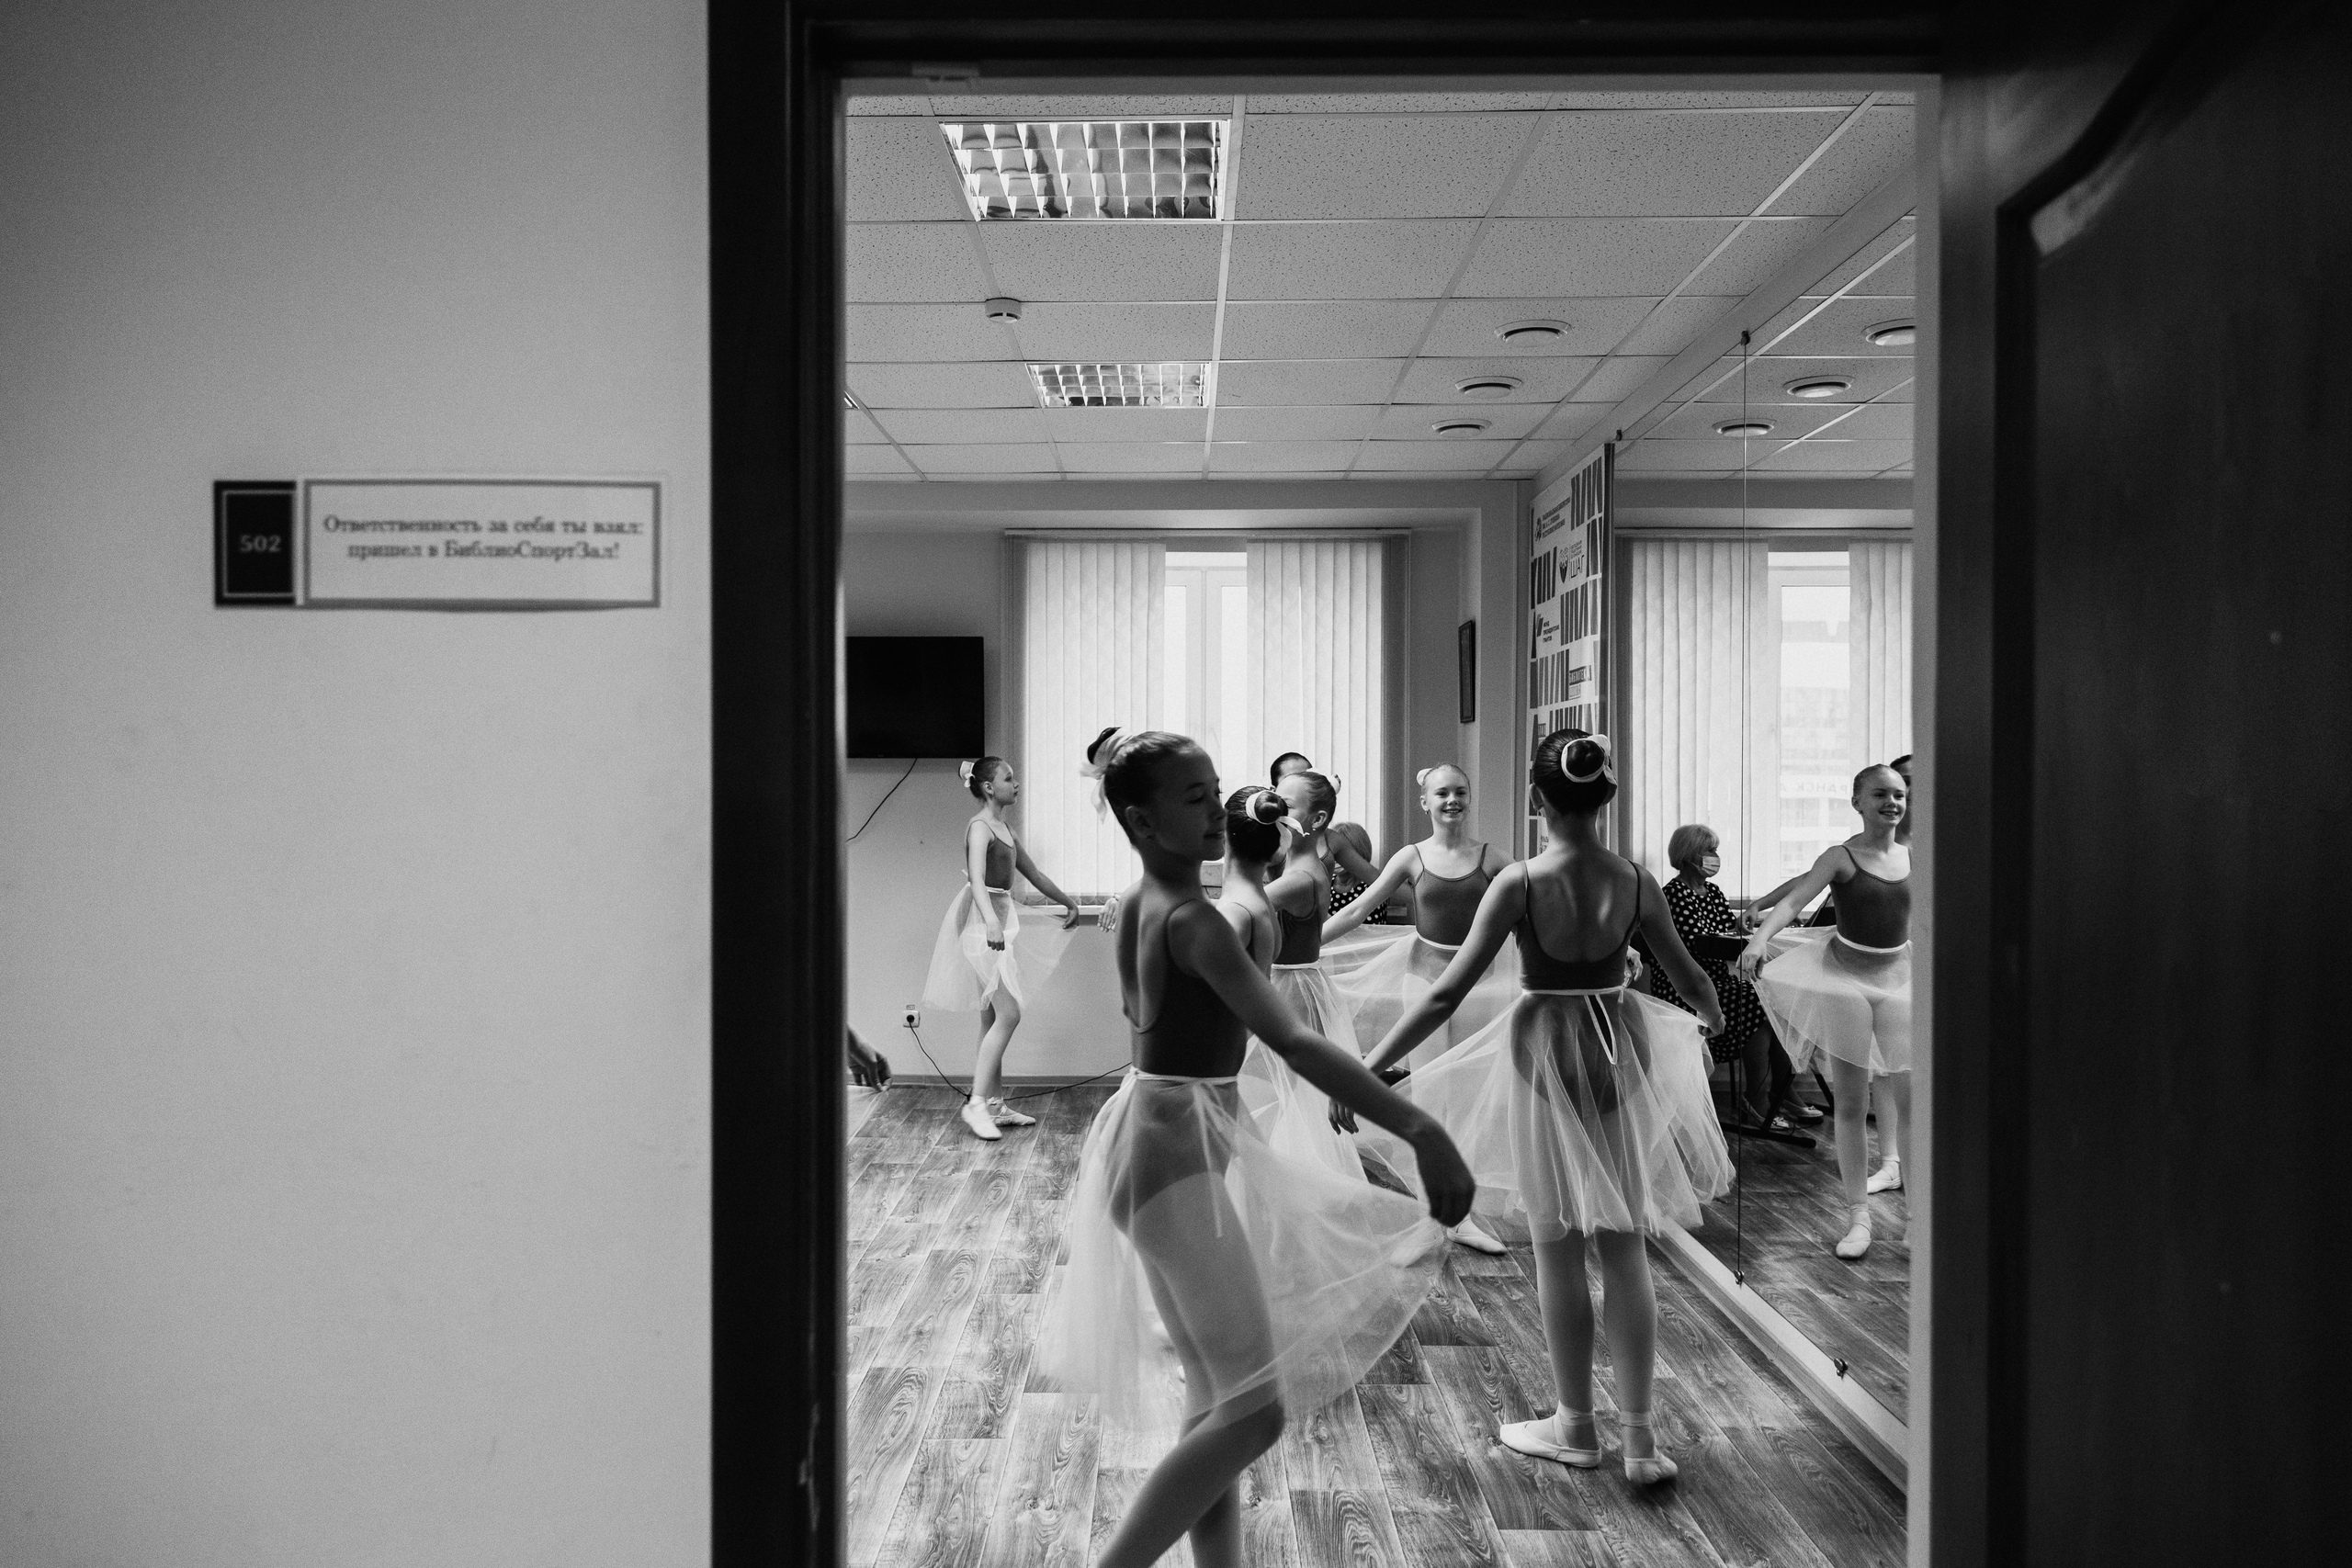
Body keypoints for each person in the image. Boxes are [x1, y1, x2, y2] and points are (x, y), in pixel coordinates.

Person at [1049, 730, 1474, 1568]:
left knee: (1218, 1397)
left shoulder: (1139, 900)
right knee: (1255, 1412)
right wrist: (1422, 1129)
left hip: (1155, 1128)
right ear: (1140, 819)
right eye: (1194, 797)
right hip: (1172, 1147)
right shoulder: (1196, 921)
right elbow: (1293, 1040)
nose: (1217, 809)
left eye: (1215, 791)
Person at [1344, 732, 1733, 1485]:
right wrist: (1710, 1020)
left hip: (1544, 1052)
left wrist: (1365, 1067)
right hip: (1619, 1046)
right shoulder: (1635, 880)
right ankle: (1641, 1439)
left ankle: (1575, 1425)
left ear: (1534, 799)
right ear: (1605, 797)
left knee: (1558, 1245)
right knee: (1624, 1240)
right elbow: (1688, 976)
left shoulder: (1519, 880)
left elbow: (1445, 992)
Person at [1738, 764, 1915, 1258]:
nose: (1891, 802)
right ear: (1857, 802)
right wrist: (1759, 939)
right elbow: (1796, 899)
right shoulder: (1840, 857)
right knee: (1852, 1103)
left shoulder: (1916, 858)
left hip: (1899, 979)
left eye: (1899, 795)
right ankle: (1859, 1219)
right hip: (1843, 980)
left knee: (1911, 1103)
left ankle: (1918, 1220)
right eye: (1879, 794)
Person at [919, 756, 1083, 1143]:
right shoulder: (979, 828)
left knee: (991, 1016)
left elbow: (1034, 874)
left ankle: (993, 1104)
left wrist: (1069, 902)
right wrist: (991, 920)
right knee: (1009, 1013)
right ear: (989, 788)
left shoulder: (1005, 829)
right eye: (1009, 778)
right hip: (980, 923)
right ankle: (977, 1104)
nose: (1016, 783)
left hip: (996, 920)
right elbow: (977, 878)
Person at [1324, 763, 1520, 1069]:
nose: (1452, 800)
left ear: (1470, 799)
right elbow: (1357, 910)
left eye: (1460, 792)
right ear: (1425, 802)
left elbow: (1534, 899)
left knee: (1470, 1071)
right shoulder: (1411, 856)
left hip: (1479, 978)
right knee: (1427, 1071)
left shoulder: (1491, 857)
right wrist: (1308, 944)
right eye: (1442, 793)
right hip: (1422, 977)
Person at [1650, 824, 1795, 1126]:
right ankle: (1757, 1098)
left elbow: (1727, 936)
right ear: (1690, 855)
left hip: (1719, 982)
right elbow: (1697, 946)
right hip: (1687, 986)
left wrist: (1742, 931)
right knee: (1756, 1003)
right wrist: (1733, 940)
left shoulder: (1714, 892)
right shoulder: (1673, 895)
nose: (1715, 856)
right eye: (1709, 850)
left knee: (1773, 998)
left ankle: (1783, 1092)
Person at [1269, 750, 1382, 897]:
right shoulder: (1265, 838)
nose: (1302, 783)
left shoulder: (1332, 841)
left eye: (1309, 776)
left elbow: (1379, 881)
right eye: (1292, 778)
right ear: (1273, 792)